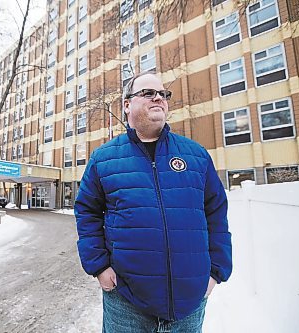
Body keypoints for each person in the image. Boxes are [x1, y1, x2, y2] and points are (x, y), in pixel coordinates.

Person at [74, 71, 232, 333]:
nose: (158, 98)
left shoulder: (196, 155)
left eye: (163, 94)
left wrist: (216, 270)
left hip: (189, 304)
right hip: (127, 302)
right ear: (127, 105)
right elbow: (87, 212)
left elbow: (216, 213)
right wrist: (99, 266)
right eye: (148, 93)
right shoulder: (103, 158)